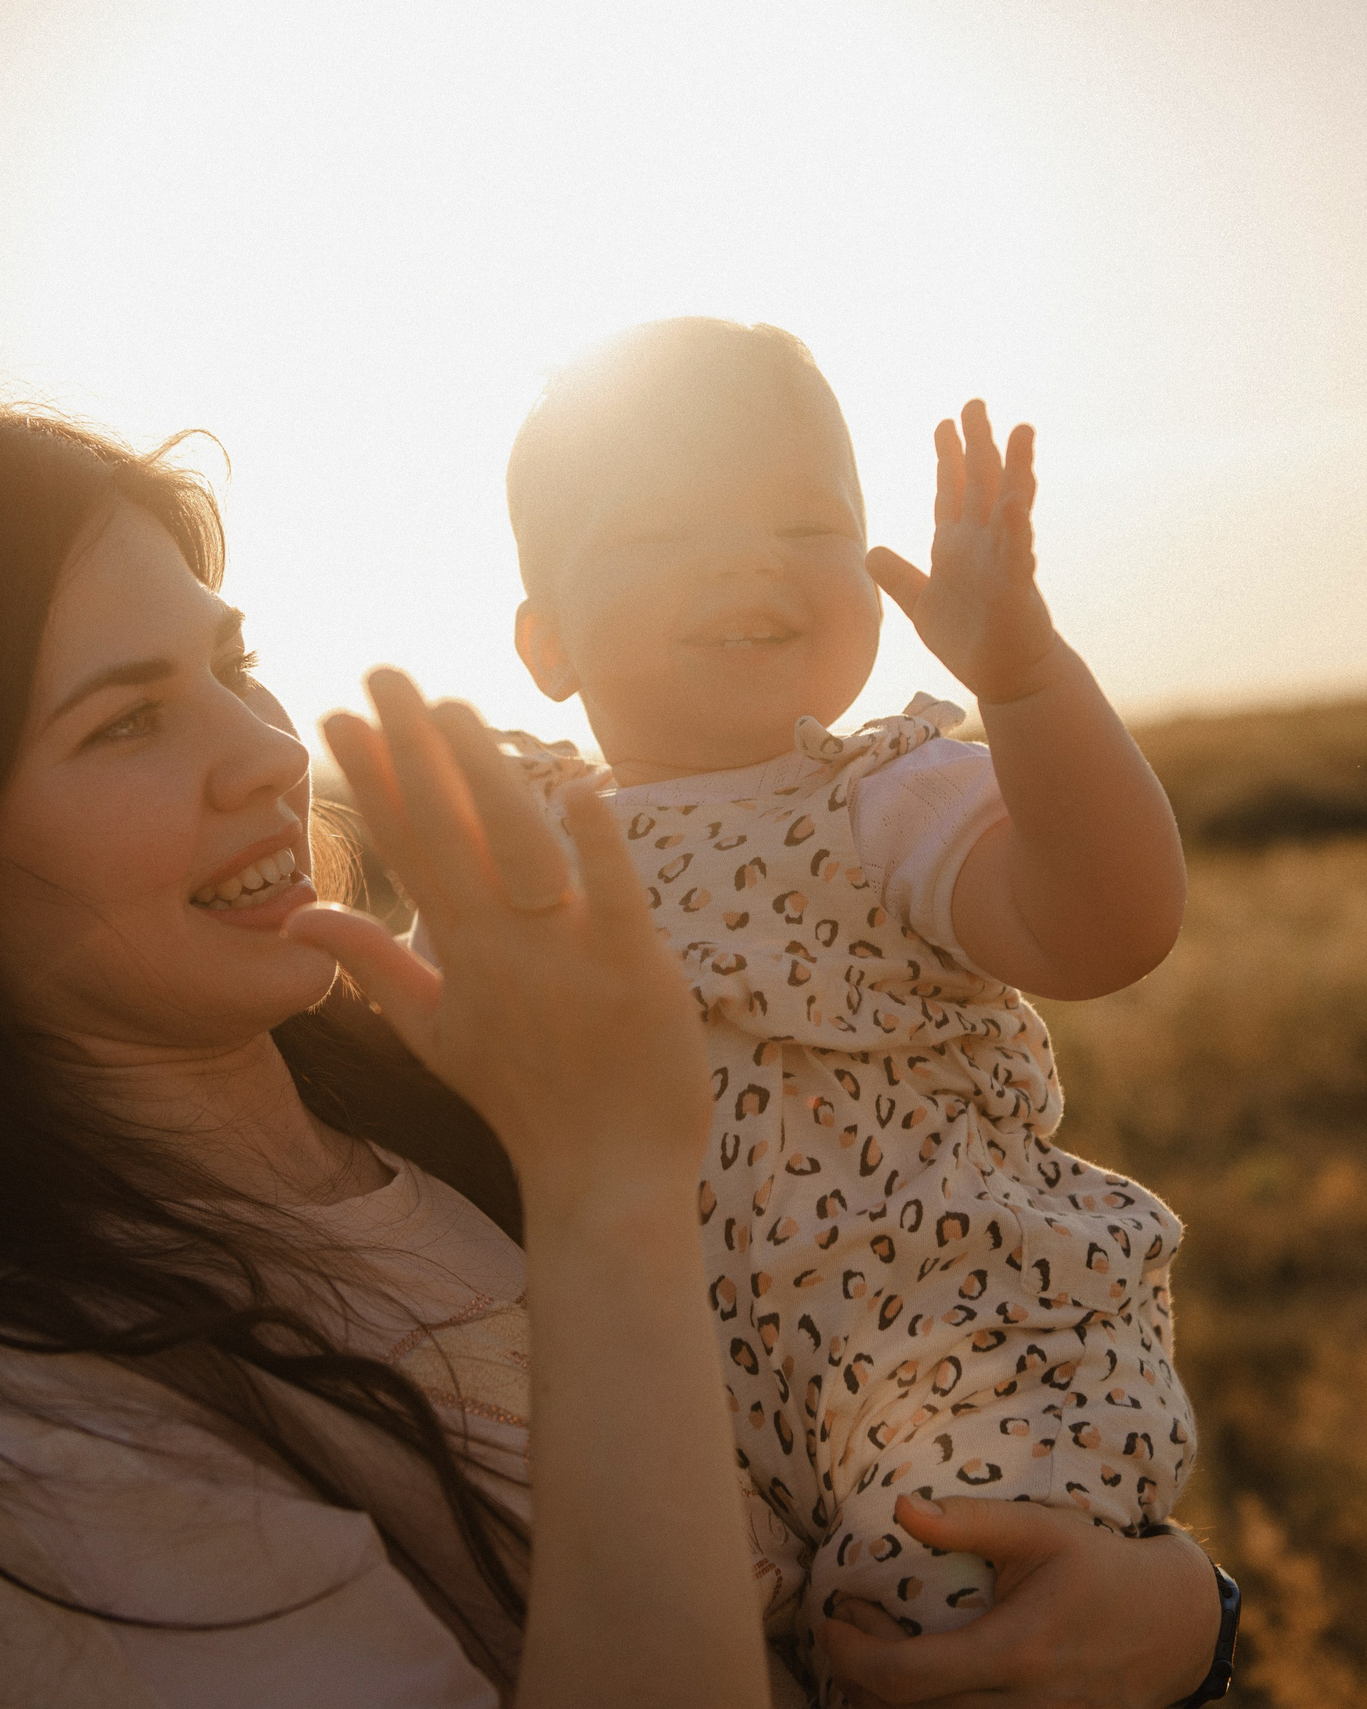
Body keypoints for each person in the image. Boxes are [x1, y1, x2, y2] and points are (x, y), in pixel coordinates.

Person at [0, 387, 1228, 1709]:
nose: (262, 755)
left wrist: (1177, 1619)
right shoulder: (14, 1427)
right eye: (126, 720)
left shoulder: (453, 1102)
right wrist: (610, 1186)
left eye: (233, 667)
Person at [487, 319, 1199, 1690]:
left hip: (959, 1346)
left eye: (806, 521)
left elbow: (1109, 918)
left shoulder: (884, 799)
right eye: (658, 533)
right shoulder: (531, 845)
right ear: (545, 642)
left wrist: (1027, 675)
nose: (747, 559)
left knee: (945, 1628)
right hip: (688, 1395)